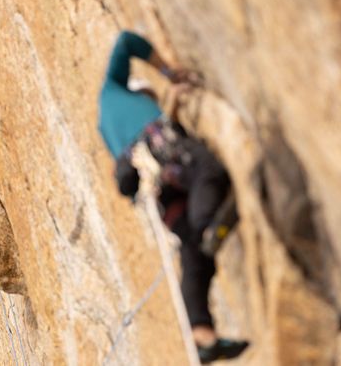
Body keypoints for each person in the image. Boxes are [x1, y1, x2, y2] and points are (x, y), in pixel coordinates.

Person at [98, 31, 247, 363]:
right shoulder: (112, 93)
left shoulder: (112, 132)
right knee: (209, 170)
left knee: (195, 254)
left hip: (157, 192)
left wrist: (172, 103)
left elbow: (149, 151)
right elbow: (125, 42)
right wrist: (168, 72)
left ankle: (201, 333)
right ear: (139, 92)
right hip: (162, 154)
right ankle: (208, 225)